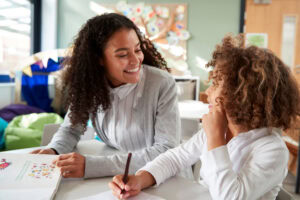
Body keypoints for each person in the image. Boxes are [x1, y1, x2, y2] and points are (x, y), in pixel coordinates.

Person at [109, 34, 300, 200]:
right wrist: (141, 179)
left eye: (215, 85)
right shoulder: (222, 129)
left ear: (241, 96)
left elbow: (229, 196)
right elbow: (176, 158)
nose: (208, 92)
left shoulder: (272, 149)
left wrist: (216, 138)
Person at [31, 13, 181, 179]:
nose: (135, 60)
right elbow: (71, 129)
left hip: (161, 177)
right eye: (123, 54)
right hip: (118, 175)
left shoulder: (161, 83)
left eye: (138, 50)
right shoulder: (91, 83)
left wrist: (93, 166)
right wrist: (54, 149)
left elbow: (166, 151)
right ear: (99, 59)